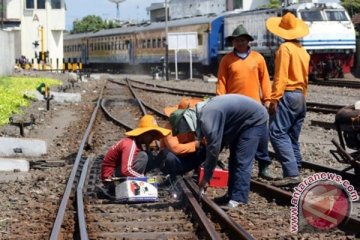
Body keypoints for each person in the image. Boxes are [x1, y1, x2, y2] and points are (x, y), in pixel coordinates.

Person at [169, 94, 269, 208]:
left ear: (185, 122)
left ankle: (239, 199)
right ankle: (232, 194)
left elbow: (214, 150)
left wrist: (206, 178)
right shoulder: (201, 113)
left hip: (254, 119)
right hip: (241, 120)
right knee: (234, 159)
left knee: (242, 159)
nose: (185, 132)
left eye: (183, 129)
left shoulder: (207, 119)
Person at [216, 24, 274, 180]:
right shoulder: (226, 60)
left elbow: (265, 80)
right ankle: (235, 166)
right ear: (233, 42)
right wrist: (220, 102)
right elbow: (221, 82)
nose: (240, 43)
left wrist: (267, 99)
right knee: (236, 137)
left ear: (248, 41)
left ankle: (263, 167)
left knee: (262, 136)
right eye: (237, 40)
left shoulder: (258, 58)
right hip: (234, 106)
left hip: (255, 105)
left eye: (243, 40)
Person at [266, 12, 310, 186]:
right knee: (291, 135)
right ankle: (296, 169)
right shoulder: (302, 51)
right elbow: (305, 78)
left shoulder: (285, 49)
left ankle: (291, 173)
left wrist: (274, 99)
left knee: (277, 133)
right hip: (300, 95)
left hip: (288, 94)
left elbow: (281, 76)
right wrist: (302, 97)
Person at [100, 115, 171, 187]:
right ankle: (147, 182)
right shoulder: (130, 144)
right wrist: (145, 179)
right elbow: (126, 170)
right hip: (111, 181)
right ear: (144, 133)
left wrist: (147, 145)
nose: (153, 138)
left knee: (147, 156)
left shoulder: (136, 143)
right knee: (143, 156)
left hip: (116, 176)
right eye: (151, 135)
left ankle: (149, 180)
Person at [159, 98, 206, 177]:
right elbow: (175, 148)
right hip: (173, 160)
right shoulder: (169, 127)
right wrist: (195, 144)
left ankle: (195, 171)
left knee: (203, 149)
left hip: (185, 159)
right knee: (169, 157)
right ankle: (170, 175)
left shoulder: (192, 126)